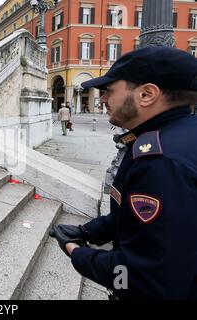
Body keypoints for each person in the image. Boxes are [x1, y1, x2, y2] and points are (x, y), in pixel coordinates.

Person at [49, 46, 197, 300]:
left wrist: (79, 254)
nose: (102, 98)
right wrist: (88, 231)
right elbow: (133, 217)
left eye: (108, 90)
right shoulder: (172, 136)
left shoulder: (161, 161)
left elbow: (141, 277)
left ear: (147, 94)